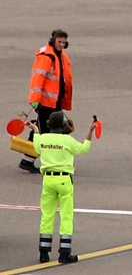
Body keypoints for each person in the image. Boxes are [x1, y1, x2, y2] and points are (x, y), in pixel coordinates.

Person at [26, 111, 97, 263]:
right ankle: (64, 252)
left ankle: (43, 252)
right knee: (66, 216)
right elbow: (84, 148)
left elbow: (37, 145)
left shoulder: (43, 139)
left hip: (48, 180)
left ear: (48, 125)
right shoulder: (68, 140)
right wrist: (90, 131)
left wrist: (35, 130)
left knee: (47, 216)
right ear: (64, 125)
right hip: (64, 180)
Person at [20, 30, 73, 174]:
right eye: (59, 42)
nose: (62, 45)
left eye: (64, 43)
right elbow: (37, 79)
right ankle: (35, 161)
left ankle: (29, 160)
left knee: (43, 129)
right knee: (44, 131)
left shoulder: (62, 56)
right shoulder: (46, 57)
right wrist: (35, 100)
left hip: (55, 101)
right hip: (45, 102)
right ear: (53, 40)